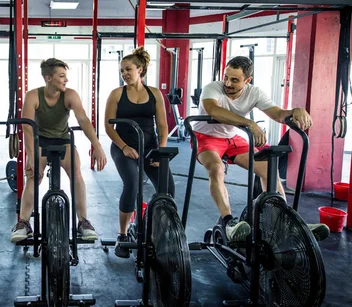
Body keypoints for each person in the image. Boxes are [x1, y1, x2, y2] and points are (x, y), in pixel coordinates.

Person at [192, 56, 329, 243]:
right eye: (226, 77)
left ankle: (287, 222)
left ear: (247, 80)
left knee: (269, 170)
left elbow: (278, 114)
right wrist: (249, 123)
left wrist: (295, 111)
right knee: (216, 169)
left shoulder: (254, 93)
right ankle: (229, 223)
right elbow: (213, 110)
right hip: (206, 137)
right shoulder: (212, 88)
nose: (227, 83)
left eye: (234, 80)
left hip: (233, 138)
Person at [10, 58, 107, 243]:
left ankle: (83, 222)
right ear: (48, 78)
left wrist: (97, 145)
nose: (65, 80)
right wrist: (31, 157)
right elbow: (28, 129)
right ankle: (23, 222)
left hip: (63, 140)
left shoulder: (70, 95)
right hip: (40, 140)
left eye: (65, 76)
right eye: (61, 76)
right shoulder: (33, 96)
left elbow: (83, 120)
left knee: (76, 173)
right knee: (33, 176)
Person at [104, 47, 174, 258]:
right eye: (121, 70)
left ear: (140, 69)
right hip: (123, 147)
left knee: (167, 188)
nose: (124, 74)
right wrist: (124, 147)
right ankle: (123, 234)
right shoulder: (117, 94)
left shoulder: (154, 94)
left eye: (128, 69)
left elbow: (162, 126)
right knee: (132, 183)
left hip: (150, 147)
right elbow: (108, 126)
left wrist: (160, 151)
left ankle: (160, 230)